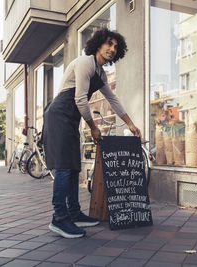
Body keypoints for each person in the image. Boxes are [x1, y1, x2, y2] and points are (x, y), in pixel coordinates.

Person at [43, 28, 141, 239]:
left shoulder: (100, 73)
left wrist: (131, 124)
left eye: (116, 47)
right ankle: (59, 218)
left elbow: (112, 100)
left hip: (71, 118)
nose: (112, 49)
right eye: (109, 44)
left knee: (73, 166)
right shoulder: (85, 63)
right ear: (98, 44)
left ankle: (74, 213)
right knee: (63, 167)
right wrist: (93, 127)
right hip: (59, 114)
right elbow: (80, 99)